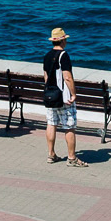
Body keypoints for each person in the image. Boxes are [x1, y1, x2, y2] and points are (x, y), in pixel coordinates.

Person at [43, 29, 85, 165]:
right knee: (69, 126)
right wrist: (73, 94)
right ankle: (72, 157)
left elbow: (46, 77)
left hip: (51, 95)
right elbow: (67, 77)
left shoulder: (47, 55)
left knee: (51, 123)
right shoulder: (64, 55)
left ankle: (51, 154)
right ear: (63, 41)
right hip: (64, 97)